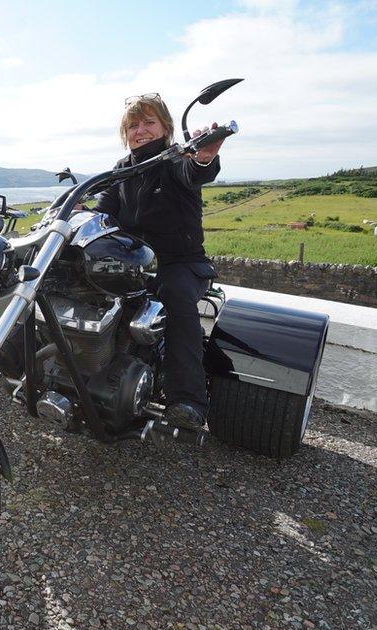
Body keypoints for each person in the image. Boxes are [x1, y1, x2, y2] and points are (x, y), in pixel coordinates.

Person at [94, 92, 227, 430]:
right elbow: (103, 210)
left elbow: (194, 171)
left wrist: (204, 157)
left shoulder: (175, 160)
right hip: (133, 265)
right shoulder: (122, 170)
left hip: (179, 264)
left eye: (148, 122)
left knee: (175, 295)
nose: (140, 130)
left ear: (165, 127)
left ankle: (187, 399)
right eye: (133, 125)